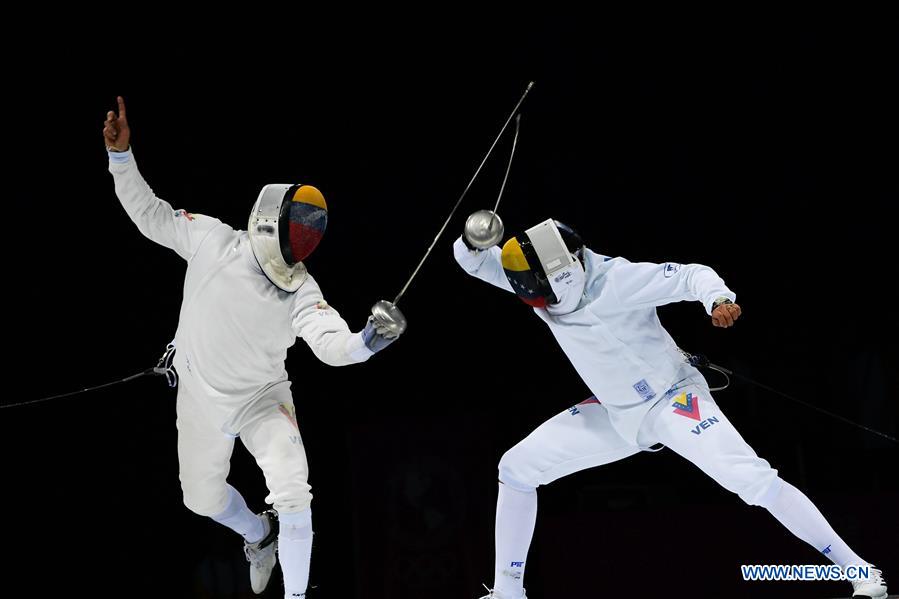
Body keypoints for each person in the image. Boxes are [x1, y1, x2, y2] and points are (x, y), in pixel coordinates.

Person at [454, 217, 887, 599]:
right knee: (517, 468)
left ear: (564, 273)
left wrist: (717, 299)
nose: (536, 302)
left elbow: (689, 275)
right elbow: (475, 263)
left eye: (538, 292)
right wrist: (473, 240)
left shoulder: (618, 280)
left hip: (673, 400)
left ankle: (861, 571)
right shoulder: (543, 280)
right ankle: (508, 592)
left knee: (752, 480)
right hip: (617, 413)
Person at [103, 97, 405, 598]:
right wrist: (121, 157)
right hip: (198, 396)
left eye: (308, 236)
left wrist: (368, 342)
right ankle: (259, 534)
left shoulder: (300, 288)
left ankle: (296, 595)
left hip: (261, 400)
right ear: (269, 220)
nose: (301, 242)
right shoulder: (212, 240)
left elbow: (332, 344)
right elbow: (150, 214)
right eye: (298, 230)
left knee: (293, 488)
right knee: (201, 500)